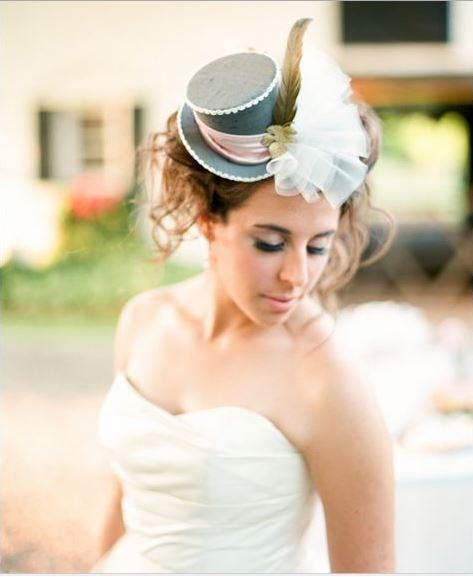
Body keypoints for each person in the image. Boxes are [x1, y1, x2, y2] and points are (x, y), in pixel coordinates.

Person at [90, 18, 396, 573]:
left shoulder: (328, 380)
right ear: (208, 222)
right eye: (271, 243)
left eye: (318, 246)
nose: (297, 276)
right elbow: (126, 498)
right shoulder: (143, 319)